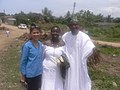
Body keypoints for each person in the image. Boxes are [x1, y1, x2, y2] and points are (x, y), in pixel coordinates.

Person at [62, 21, 100, 90]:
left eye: (76, 25)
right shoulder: (65, 36)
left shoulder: (84, 36)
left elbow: (89, 47)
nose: (74, 26)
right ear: (69, 26)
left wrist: (83, 57)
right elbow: (62, 47)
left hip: (79, 62)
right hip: (69, 62)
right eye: (72, 25)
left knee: (81, 77)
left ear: (79, 26)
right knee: (69, 77)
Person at [41, 26, 65, 90]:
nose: (55, 33)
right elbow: (42, 56)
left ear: (59, 33)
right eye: (53, 31)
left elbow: (64, 57)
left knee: (57, 86)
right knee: (47, 86)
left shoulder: (63, 44)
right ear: (51, 33)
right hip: (47, 70)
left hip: (58, 71)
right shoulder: (46, 44)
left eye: (57, 32)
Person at [20, 24, 43, 90]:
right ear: (30, 34)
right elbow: (23, 61)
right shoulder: (27, 46)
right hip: (30, 75)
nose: (36, 34)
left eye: (37, 32)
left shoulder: (40, 44)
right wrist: (23, 76)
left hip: (39, 73)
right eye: (34, 33)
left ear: (40, 33)